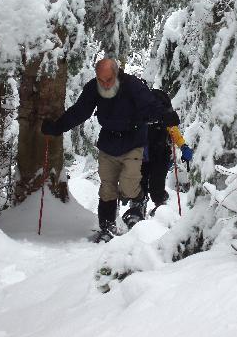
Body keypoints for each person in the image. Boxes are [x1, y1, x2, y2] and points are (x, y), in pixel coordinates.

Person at [41, 58, 179, 243]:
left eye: (109, 80)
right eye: (101, 80)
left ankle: (139, 199)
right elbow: (80, 111)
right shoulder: (94, 87)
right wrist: (57, 127)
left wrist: (165, 115)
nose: (105, 84)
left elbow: (150, 105)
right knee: (107, 188)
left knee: (129, 186)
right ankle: (107, 228)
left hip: (133, 142)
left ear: (117, 73)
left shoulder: (133, 85)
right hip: (108, 143)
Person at [139, 88, 193, 216]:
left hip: (147, 156)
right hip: (156, 156)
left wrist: (184, 147)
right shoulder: (159, 116)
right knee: (148, 186)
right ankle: (155, 208)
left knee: (149, 186)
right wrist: (183, 147)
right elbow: (175, 133)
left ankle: (158, 213)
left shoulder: (159, 116)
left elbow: (174, 133)